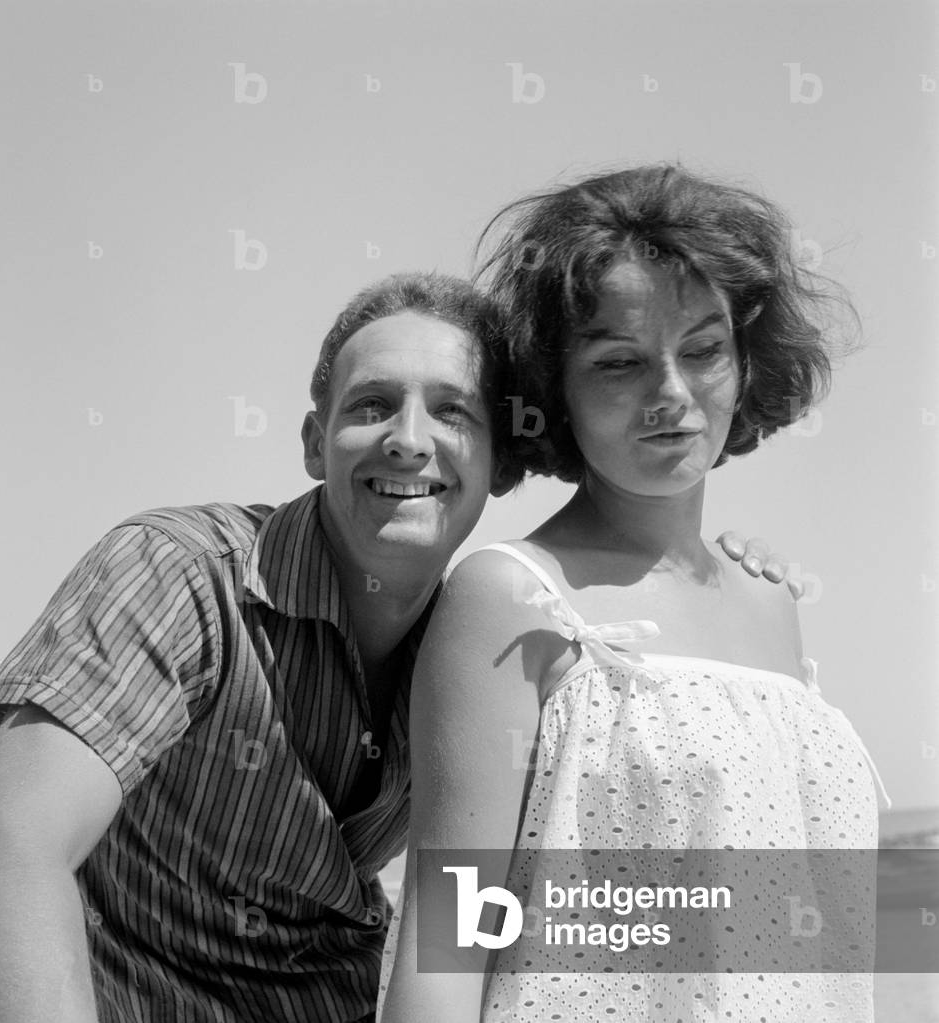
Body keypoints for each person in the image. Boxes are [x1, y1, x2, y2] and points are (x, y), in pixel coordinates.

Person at [0, 271, 786, 1023]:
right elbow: (6, 857)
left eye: (452, 411)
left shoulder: (488, 645)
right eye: (373, 405)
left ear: (502, 462)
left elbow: (533, 908)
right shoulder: (183, 574)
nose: (409, 440)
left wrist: (708, 592)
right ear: (316, 442)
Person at [379, 166, 887, 1022]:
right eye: (619, 362)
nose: (672, 394)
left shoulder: (774, 601)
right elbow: (450, 934)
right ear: (553, 389)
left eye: (702, 348)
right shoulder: (511, 597)